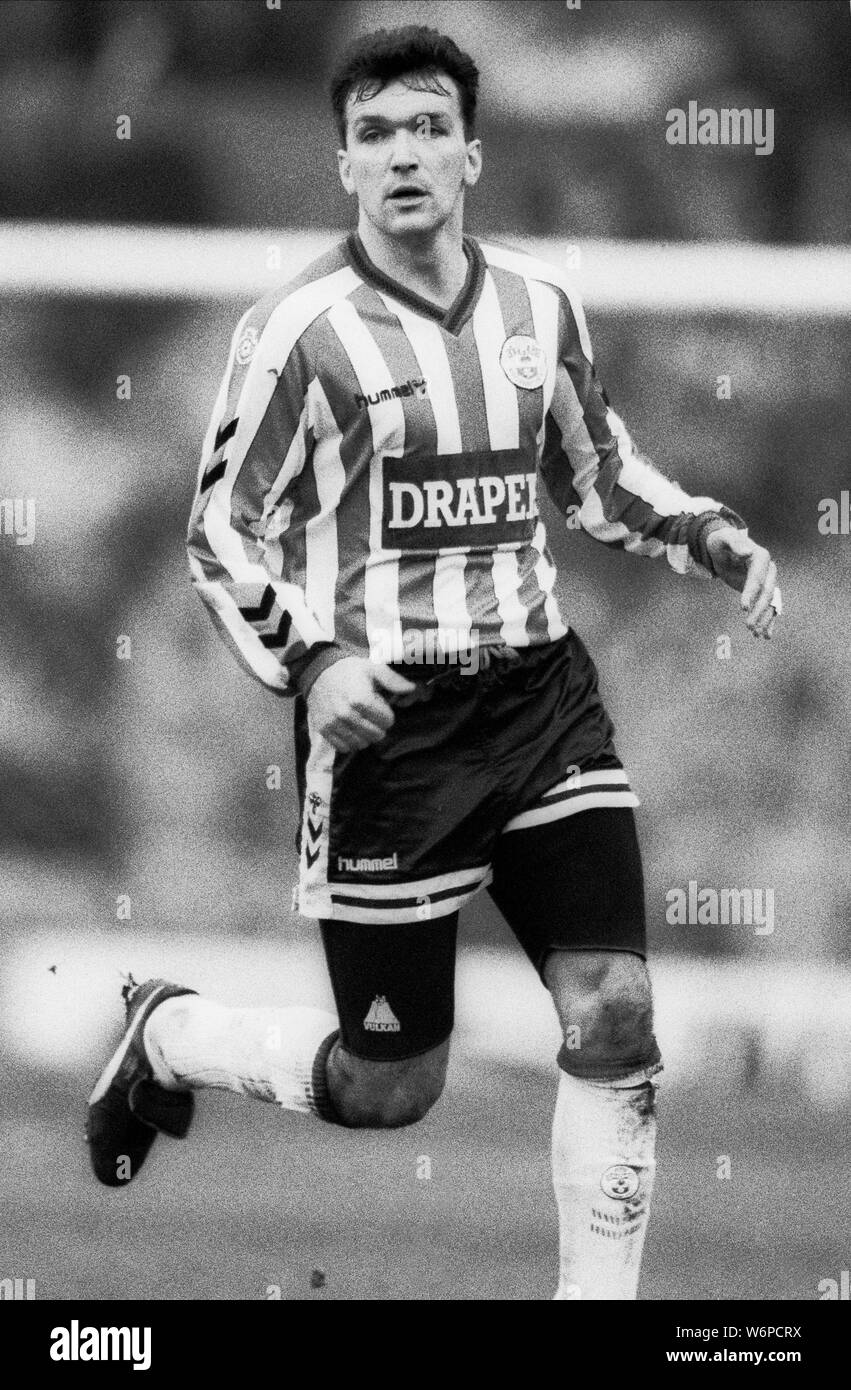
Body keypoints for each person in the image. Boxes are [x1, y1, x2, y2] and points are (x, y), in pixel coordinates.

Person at [86, 25, 781, 1301]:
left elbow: (596, 473)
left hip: (537, 697)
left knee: (615, 1010)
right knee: (389, 1084)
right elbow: (217, 531)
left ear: (471, 152)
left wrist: (704, 532)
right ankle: (170, 1030)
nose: (402, 154)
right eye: (373, 134)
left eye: (425, 128)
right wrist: (310, 664)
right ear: (342, 165)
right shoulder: (299, 333)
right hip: (389, 736)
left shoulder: (537, 305)